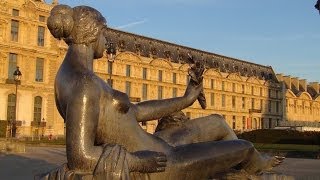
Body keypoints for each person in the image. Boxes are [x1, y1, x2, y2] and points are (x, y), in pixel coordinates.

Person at [46, 4, 282, 179]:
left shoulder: (73, 77)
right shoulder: (85, 84)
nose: (105, 40)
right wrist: (136, 162)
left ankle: (235, 166)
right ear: (93, 33)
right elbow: (79, 157)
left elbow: (136, 111)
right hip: (164, 164)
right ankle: (253, 167)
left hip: (158, 142)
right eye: (104, 33)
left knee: (218, 122)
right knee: (245, 147)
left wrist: (186, 99)